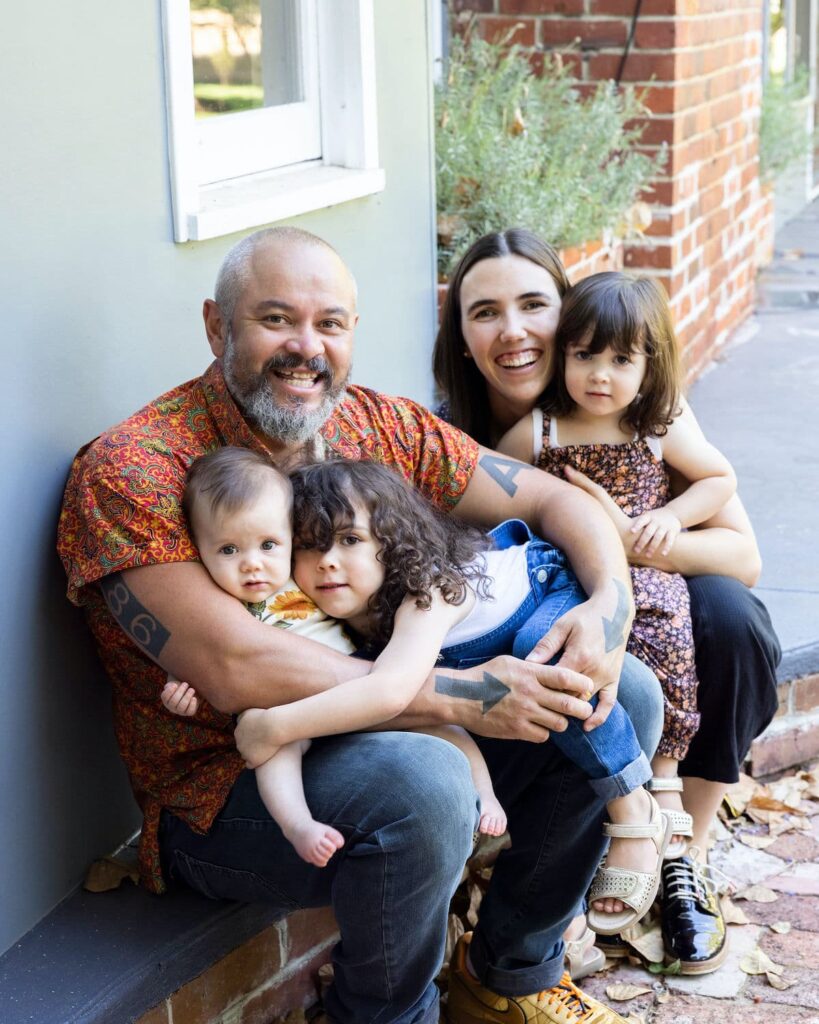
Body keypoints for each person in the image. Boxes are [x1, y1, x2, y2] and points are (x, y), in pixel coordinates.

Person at [58, 225, 662, 1023]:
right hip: (233, 784)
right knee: (424, 785)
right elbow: (238, 666)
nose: (305, 347)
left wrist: (605, 615)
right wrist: (457, 696)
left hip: (384, 725)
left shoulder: (377, 428)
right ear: (217, 326)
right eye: (276, 320)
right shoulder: (135, 470)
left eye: (330, 324)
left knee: (624, 693)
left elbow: (557, 499)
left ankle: (507, 976)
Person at [432, 228, 781, 973]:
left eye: (534, 305)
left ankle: (686, 848)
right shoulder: (458, 441)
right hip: (532, 644)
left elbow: (740, 556)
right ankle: (576, 848)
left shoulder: (641, 408)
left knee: (729, 616)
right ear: (459, 335)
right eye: (484, 311)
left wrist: (619, 538)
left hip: (650, 593)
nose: (515, 330)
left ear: (570, 314)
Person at [497, 270, 738, 936]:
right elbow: (485, 483)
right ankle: (612, 811)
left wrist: (675, 518)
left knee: (665, 636)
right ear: (562, 355)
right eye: (584, 356)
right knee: (583, 663)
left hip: (643, 572)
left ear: (647, 364)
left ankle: (662, 784)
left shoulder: (653, 425)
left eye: (620, 359)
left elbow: (718, 478)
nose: (599, 375)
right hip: (567, 580)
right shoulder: (541, 431)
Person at [162, 447, 506, 867]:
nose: (252, 565)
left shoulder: (299, 574)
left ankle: (485, 797)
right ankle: (298, 824)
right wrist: (176, 687)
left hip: (349, 691)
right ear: (202, 552)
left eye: (268, 545)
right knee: (277, 752)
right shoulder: (221, 600)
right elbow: (199, 650)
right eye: (229, 551)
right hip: (285, 701)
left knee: (445, 725)